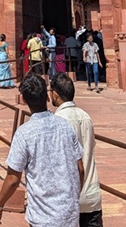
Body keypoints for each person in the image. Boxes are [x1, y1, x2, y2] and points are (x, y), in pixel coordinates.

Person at [0, 72, 83, 226]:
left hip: (43, 217)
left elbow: (13, 178)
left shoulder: (24, 134)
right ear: (47, 97)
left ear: (25, 100)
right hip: (69, 215)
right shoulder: (65, 126)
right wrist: (72, 198)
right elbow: (80, 168)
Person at [50, 73, 103, 227]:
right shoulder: (86, 116)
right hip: (91, 194)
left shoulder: (57, 121)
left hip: (69, 198)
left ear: (55, 94)